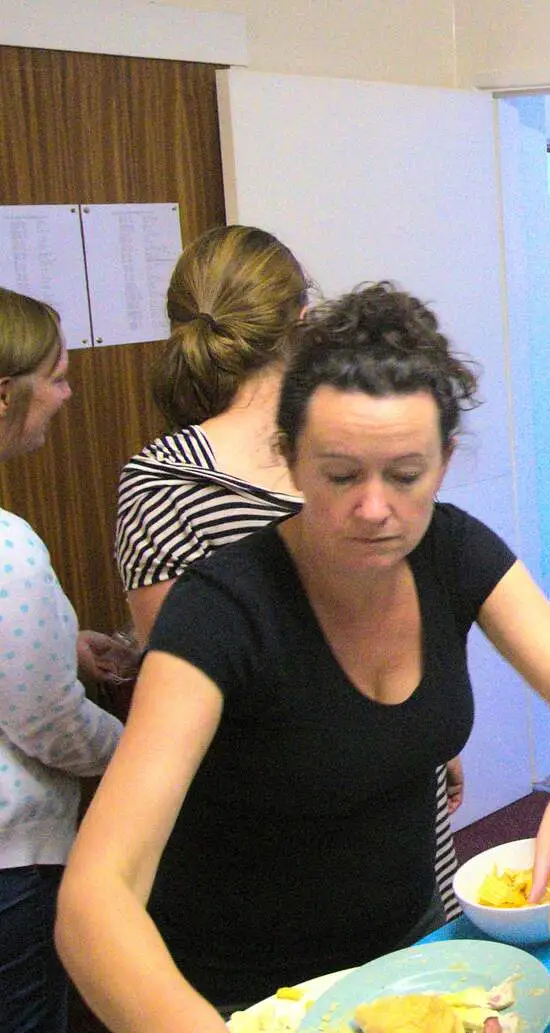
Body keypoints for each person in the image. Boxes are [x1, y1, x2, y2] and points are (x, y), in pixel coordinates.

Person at [58, 283, 550, 1026]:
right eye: (341, 475)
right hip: (240, 996)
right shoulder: (223, 609)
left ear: (444, 459)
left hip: (409, 962)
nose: (375, 509)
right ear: (290, 459)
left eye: (406, 475)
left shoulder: (455, 550)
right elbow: (93, 899)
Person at [113, 225, 464, 920]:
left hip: (256, 842)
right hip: (345, 843)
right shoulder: (361, 458)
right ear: (304, 323)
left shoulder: (155, 483)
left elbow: (182, 680)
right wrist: (405, 734)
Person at [0, 287, 128, 1033]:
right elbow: (50, 724)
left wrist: (60, 639)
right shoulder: (9, 547)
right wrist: (142, 751)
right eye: (56, 376)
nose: (67, 393)